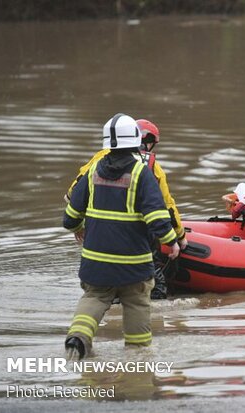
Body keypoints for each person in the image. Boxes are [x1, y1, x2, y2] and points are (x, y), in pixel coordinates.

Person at [63, 113, 180, 360]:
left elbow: (72, 212)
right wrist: (171, 240)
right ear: (136, 140)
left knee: (94, 297)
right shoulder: (142, 172)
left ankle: (77, 339)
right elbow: (158, 214)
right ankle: (137, 357)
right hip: (133, 262)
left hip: (96, 260)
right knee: (137, 301)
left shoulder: (93, 168)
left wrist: (76, 227)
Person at [65, 118, 187, 299]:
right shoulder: (151, 168)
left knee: (100, 291)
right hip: (135, 240)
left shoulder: (100, 159)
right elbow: (166, 207)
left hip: (98, 237)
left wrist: (78, 225)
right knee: (153, 284)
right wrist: (178, 236)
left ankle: (110, 316)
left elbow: (72, 194)